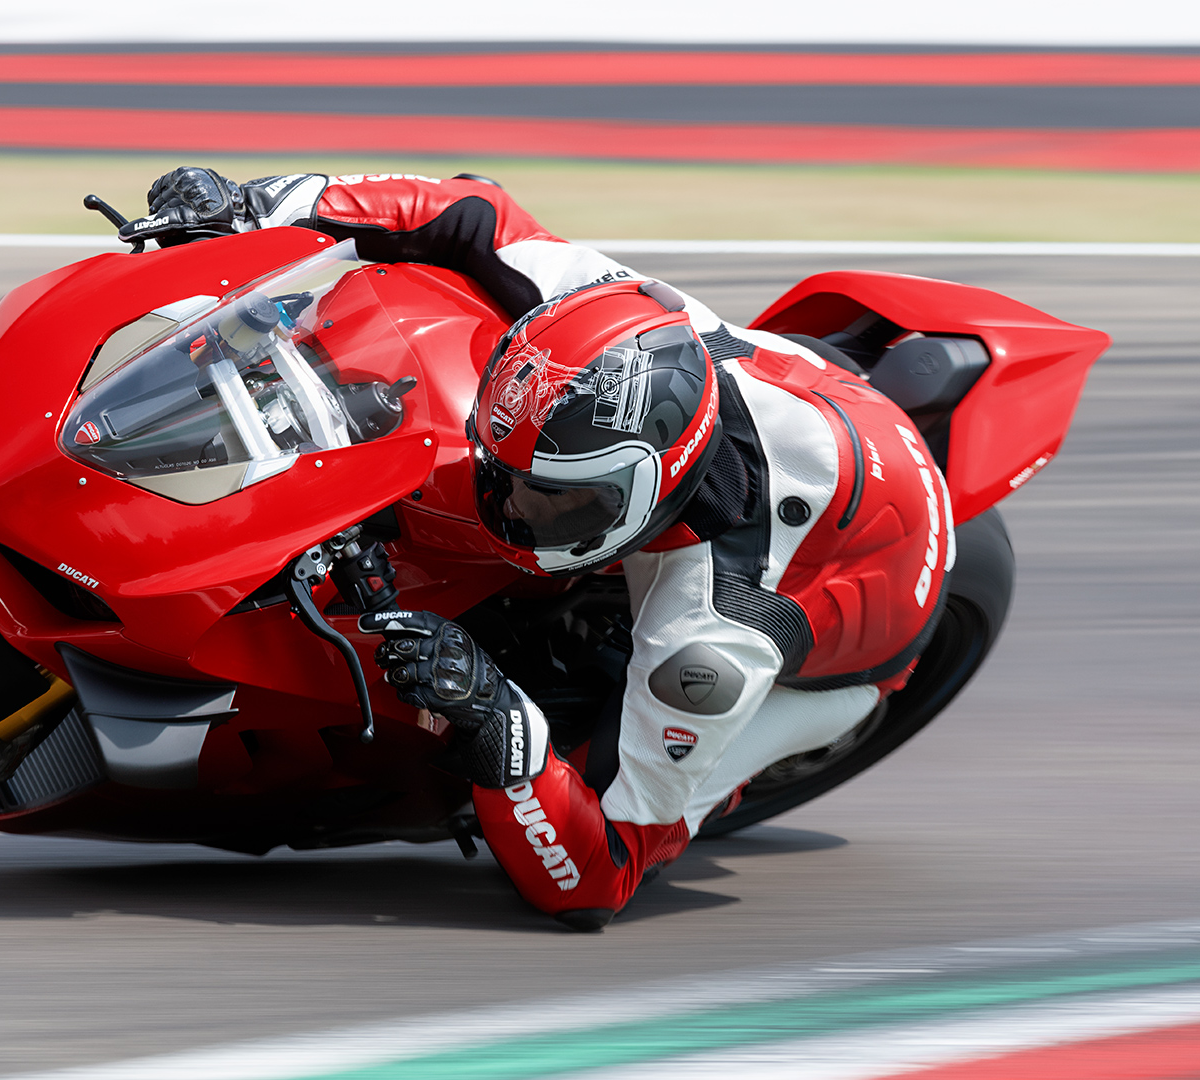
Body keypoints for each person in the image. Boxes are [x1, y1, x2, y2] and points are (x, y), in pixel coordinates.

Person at [119, 167, 956, 931]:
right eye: (508, 477)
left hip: (855, 625)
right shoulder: (606, 317)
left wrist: (493, 714)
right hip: (815, 404)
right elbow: (473, 212)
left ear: (648, 493)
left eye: (558, 501)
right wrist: (256, 204)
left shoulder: (715, 631)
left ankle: (733, 758)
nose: (511, 509)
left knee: (613, 779)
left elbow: (598, 876)